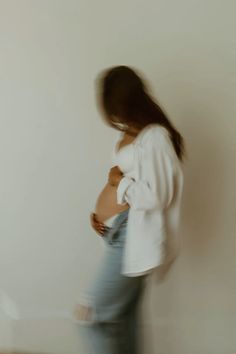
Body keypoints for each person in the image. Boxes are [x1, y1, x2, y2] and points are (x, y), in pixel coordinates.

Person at [75, 66, 185, 354]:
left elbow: (156, 196)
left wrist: (118, 184)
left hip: (133, 237)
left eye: (114, 108)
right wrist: (101, 214)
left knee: (91, 317)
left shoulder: (156, 137)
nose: (113, 117)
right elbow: (123, 183)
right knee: (122, 321)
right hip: (118, 230)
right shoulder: (131, 132)